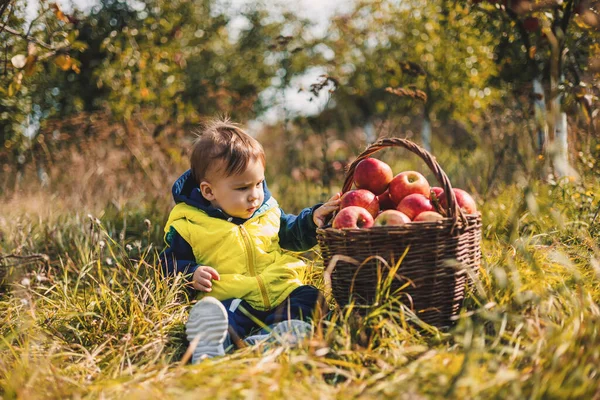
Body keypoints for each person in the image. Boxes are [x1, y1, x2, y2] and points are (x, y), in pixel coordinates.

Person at [160, 118, 340, 363]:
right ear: (209, 191)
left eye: (258, 183)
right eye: (242, 188)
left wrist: (312, 220)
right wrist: (190, 273)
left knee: (310, 298)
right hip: (235, 299)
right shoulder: (189, 224)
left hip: (280, 293)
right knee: (219, 314)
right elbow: (168, 263)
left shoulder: (266, 212)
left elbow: (293, 232)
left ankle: (271, 341)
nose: (254, 196)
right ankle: (210, 347)